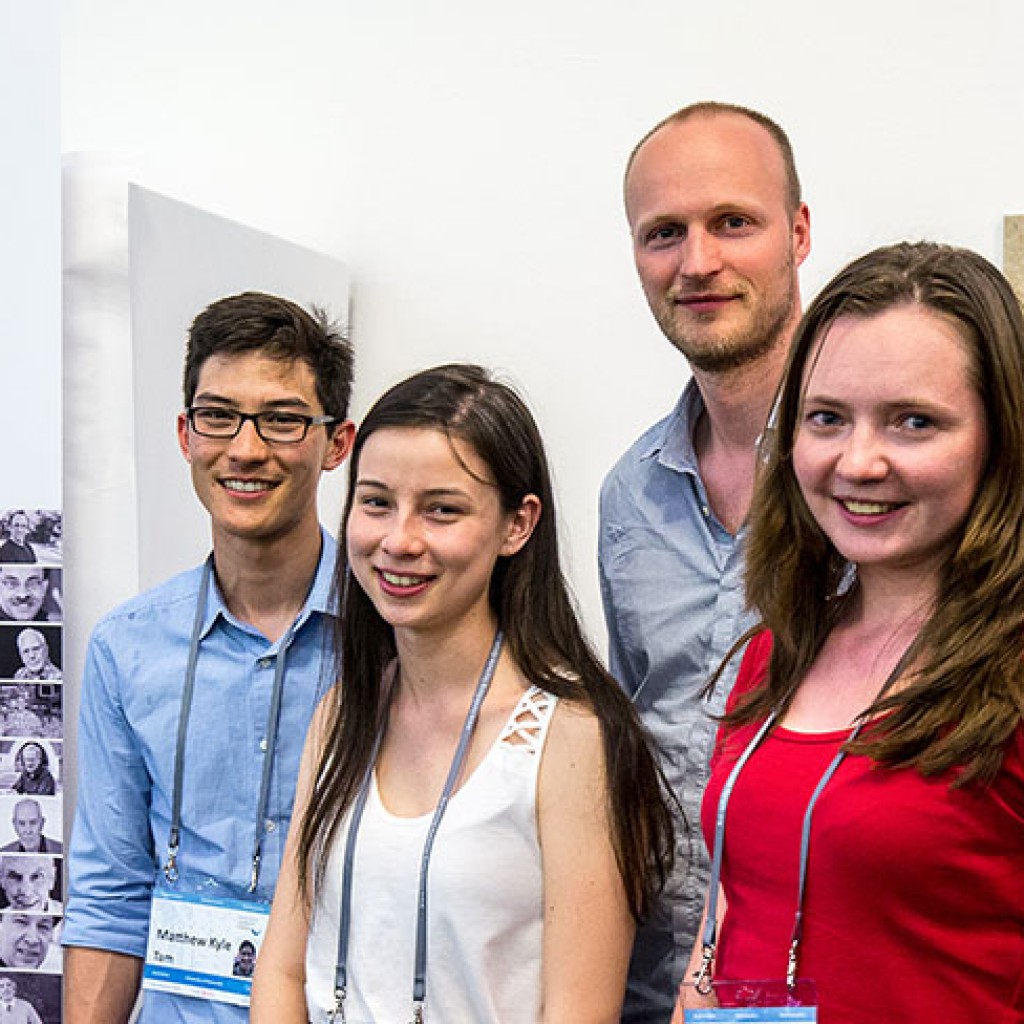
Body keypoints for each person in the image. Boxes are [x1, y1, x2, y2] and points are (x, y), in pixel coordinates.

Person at [251, 364, 674, 1023]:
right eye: (376, 502)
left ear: (517, 525)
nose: (399, 540)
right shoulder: (342, 714)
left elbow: (578, 1012)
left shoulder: (571, 736)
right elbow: (281, 970)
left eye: (441, 510)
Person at [674, 242, 1024, 1023]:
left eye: (914, 422)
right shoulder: (775, 654)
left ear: (1000, 437)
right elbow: (729, 911)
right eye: (827, 418)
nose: (859, 462)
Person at [63, 291, 355, 1024]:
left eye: (283, 420)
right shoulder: (128, 647)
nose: (245, 449)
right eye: (218, 416)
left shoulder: (391, 639)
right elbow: (110, 895)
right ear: (185, 434)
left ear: (337, 443)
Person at [598, 101, 811, 1021]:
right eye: (664, 233)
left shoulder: (878, 487)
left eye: (732, 222)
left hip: (822, 975)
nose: (697, 262)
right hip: (652, 981)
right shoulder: (629, 497)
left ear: (798, 233)